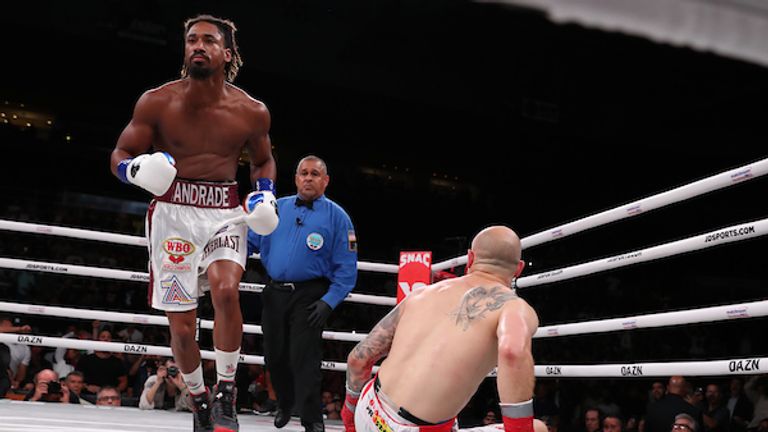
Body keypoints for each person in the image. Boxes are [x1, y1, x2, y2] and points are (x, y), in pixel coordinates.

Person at [109, 13, 278, 432]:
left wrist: (265, 192)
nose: (198, 46)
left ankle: (226, 391)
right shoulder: (157, 101)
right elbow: (120, 153)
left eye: (208, 40)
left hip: (225, 211)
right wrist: (133, 171)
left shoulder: (251, 110)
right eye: (191, 40)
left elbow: (263, 161)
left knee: (226, 290)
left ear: (227, 52)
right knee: (183, 327)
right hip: (172, 214)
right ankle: (198, 395)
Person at [342, 225, 537, 432]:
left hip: (368, 409)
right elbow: (512, 351)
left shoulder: (422, 294)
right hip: (411, 429)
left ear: (470, 258)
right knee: (538, 428)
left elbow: (358, 359)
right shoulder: (513, 306)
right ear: (519, 269)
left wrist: (350, 420)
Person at [247, 155, 358, 432]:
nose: (309, 178)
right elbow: (249, 242)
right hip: (274, 292)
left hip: (310, 295)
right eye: (304, 173)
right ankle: (284, 403)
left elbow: (347, 268)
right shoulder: (275, 208)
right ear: (296, 178)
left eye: (315, 174)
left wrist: (328, 302)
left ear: (325, 180)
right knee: (274, 356)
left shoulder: (338, 217)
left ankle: (312, 419)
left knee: (304, 359)